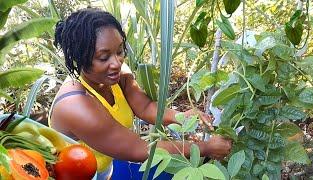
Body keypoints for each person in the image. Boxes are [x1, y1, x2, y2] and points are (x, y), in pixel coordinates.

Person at [51, 8, 232, 179]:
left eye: (119, 51)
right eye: (103, 57)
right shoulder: (76, 106)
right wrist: (206, 147)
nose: (117, 62)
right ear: (79, 58)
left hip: (110, 165)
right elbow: (140, 149)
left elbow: (145, 107)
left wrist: (182, 117)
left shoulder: (114, 75)